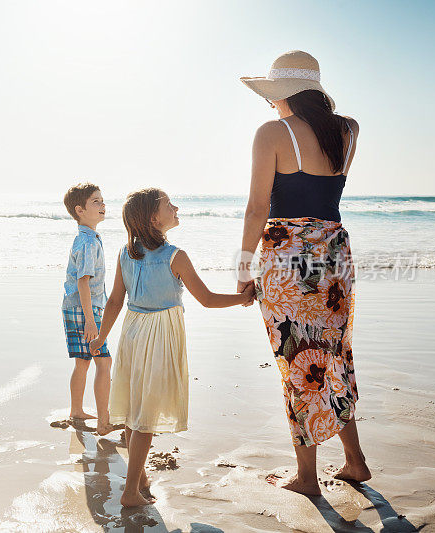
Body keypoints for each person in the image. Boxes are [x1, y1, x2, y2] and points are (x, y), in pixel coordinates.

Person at [238, 50, 371, 496]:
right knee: (333, 354)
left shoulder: (272, 133)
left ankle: (307, 477)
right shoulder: (348, 131)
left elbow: (259, 208)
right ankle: (355, 461)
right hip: (333, 253)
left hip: (287, 256)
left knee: (297, 360)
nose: (270, 104)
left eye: (273, 95)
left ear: (287, 93)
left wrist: (242, 269)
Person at [90, 188, 254, 507]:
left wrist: (101, 336)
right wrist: (245, 297)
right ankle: (130, 492)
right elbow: (206, 299)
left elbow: (114, 301)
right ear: (154, 218)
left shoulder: (127, 254)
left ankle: (141, 477)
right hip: (161, 334)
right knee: (146, 418)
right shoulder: (175, 255)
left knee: (135, 404)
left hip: (133, 332)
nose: (175, 207)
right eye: (169, 205)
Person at [62, 182, 114, 435]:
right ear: (80, 210)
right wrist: (91, 320)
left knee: (83, 361)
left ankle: (77, 410)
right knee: (104, 361)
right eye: (96, 201)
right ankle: (104, 420)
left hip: (77, 307)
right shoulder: (88, 243)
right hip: (85, 309)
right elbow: (84, 281)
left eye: (102, 200)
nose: (103, 205)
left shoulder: (87, 238)